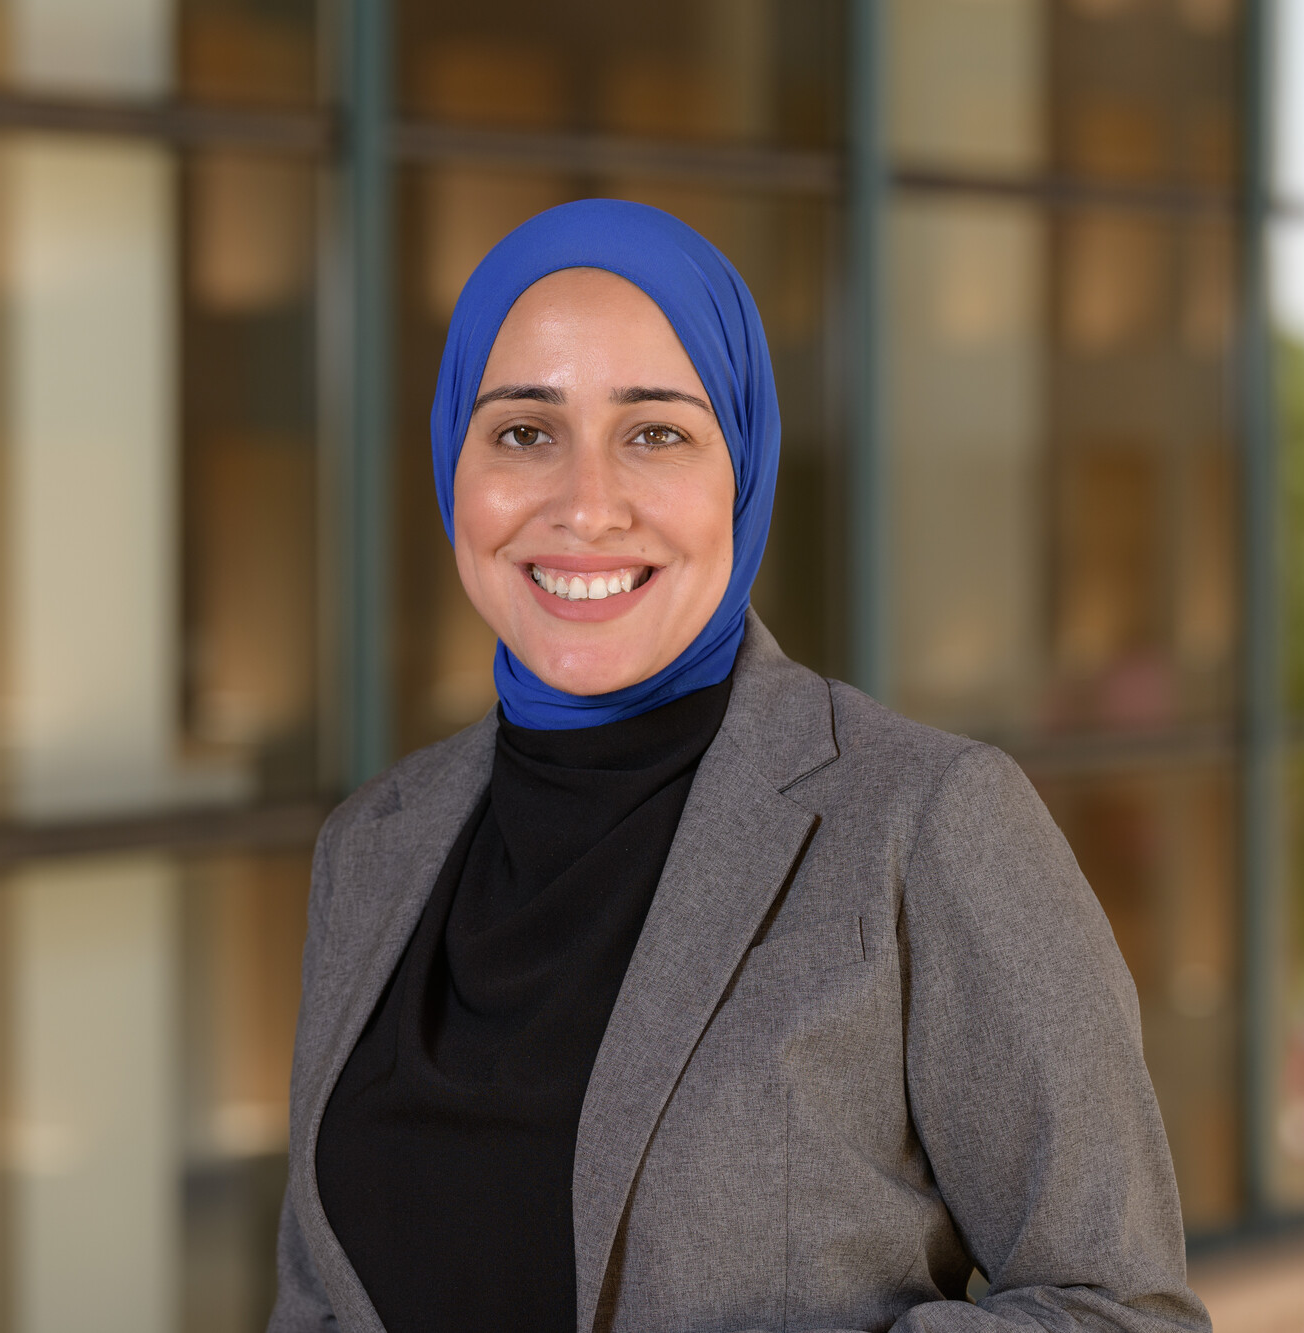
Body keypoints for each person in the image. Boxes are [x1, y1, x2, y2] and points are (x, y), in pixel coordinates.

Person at [268, 199, 1209, 1333]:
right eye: (524, 430)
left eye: (654, 432)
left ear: (743, 469)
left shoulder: (927, 822)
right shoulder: (373, 845)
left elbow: (1123, 1311)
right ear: (451, 466)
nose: (584, 504)